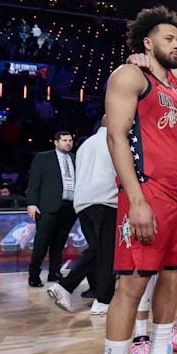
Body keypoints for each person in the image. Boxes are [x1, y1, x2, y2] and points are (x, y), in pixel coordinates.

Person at [99, 5, 177, 354]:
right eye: (168, 39)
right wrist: (136, 199)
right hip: (148, 195)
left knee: (175, 280)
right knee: (131, 286)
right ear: (146, 43)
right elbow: (115, 135)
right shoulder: (131, 76)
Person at [46, 116, 118, 315]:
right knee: (105, 254)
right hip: (106, 200)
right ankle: (95, 297)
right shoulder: (116, 140)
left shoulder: (85, 144)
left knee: (98, 250)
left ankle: (92, 296)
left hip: (83, 203)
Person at [25, 131, 78, 287]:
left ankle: (54, 272)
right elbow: (34, 182)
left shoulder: (75, 159)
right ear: (56, 142)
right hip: (48, 206)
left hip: (69, 206)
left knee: (60, 242)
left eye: (70, 140)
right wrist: (32, 203)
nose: (68, 143)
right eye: (64, 140)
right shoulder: (43, 158)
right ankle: (34, 274)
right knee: (42, 242)